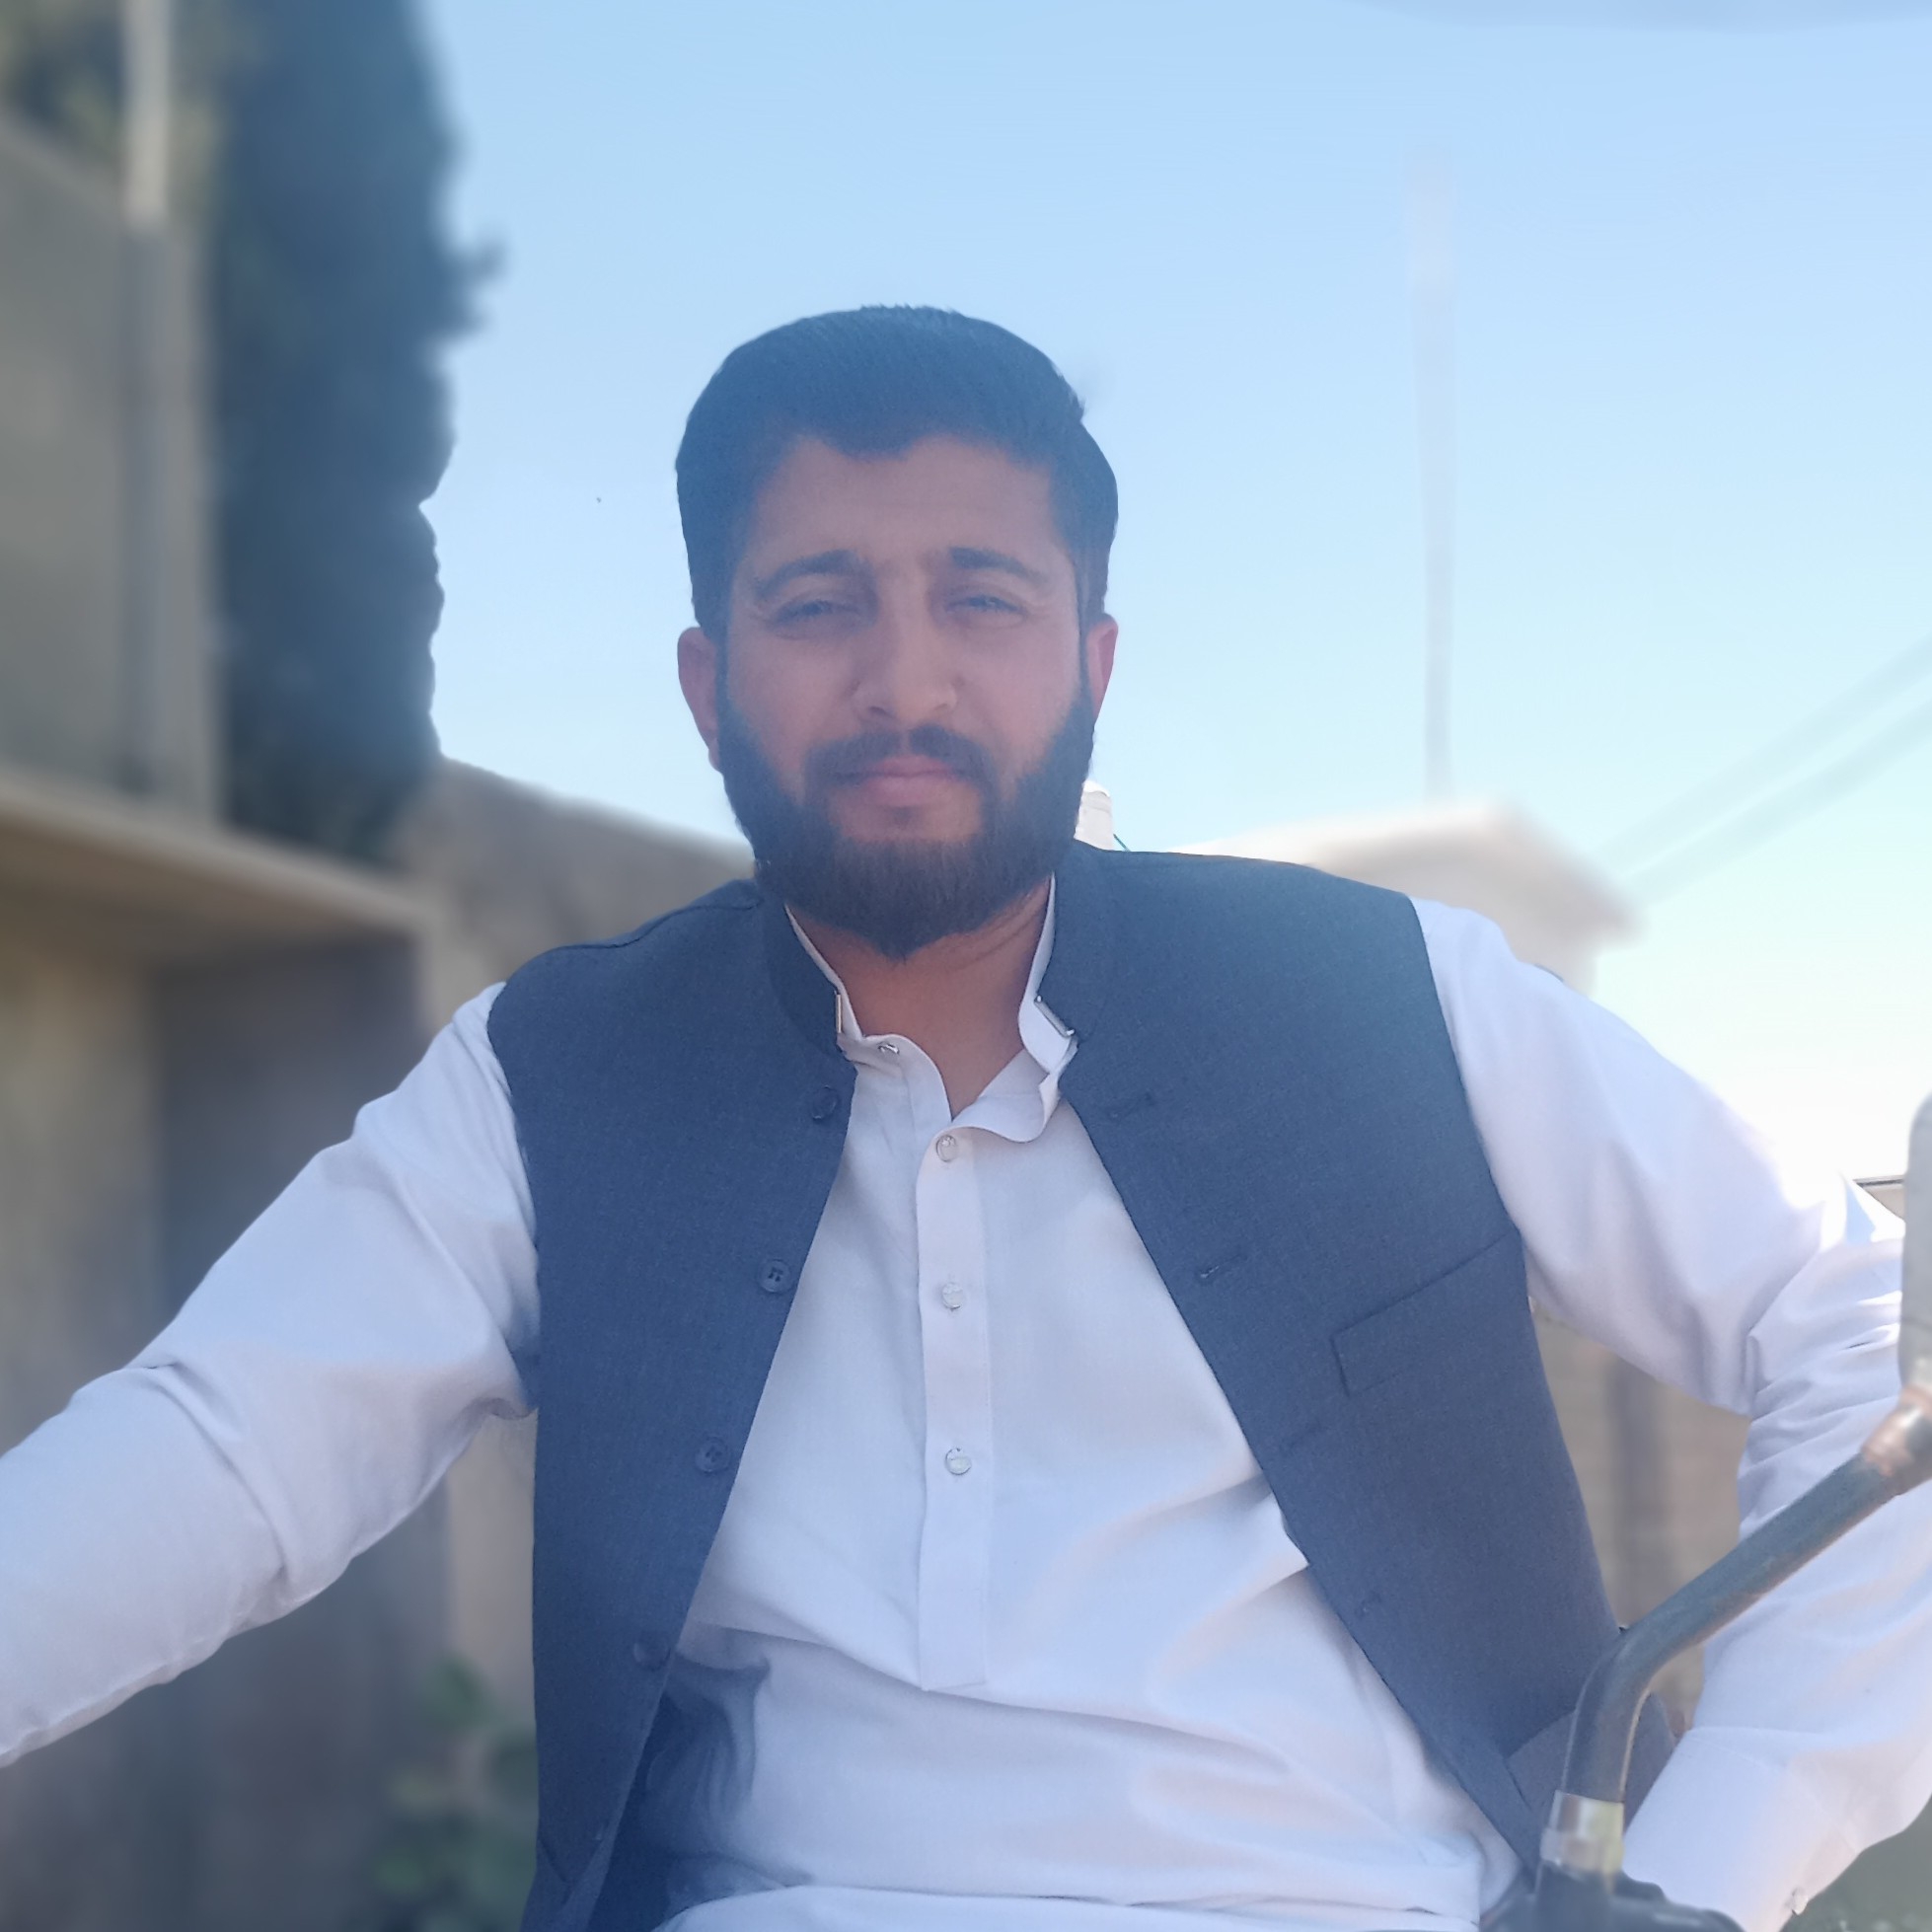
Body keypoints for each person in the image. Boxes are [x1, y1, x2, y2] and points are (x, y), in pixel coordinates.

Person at [0, 307, 1922, 1932]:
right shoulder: (553, 1075)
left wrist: (1698, 1869)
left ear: (1091, 661)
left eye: (979, 600)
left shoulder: (1392, 993)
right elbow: (223, 1447)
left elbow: (1851, 1319)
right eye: (817, 602)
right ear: (706, 683)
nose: (902, 678)